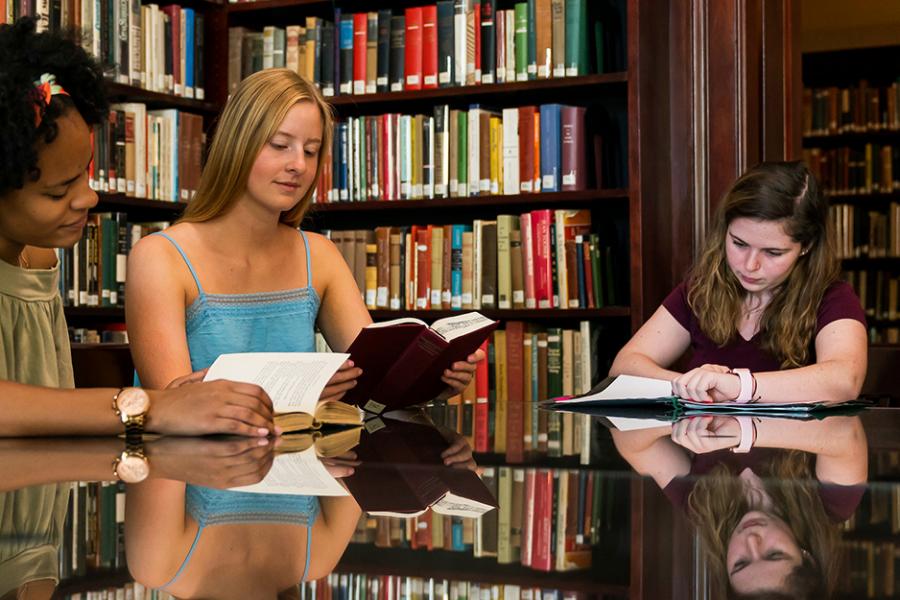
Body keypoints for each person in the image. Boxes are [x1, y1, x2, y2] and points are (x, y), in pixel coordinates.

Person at [125, 67, 483, 403]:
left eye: (310, 151)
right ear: (236, 145)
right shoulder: (160, 257)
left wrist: (435, 381)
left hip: (301, 463)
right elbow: (173, 406)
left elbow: (376, 384)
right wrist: (299, 388)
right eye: (280, 145)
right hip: (196, 466)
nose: (299, 165)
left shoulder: (319, 255)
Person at [0, 17, 276, 437]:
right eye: (59, 191)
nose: (89, 198)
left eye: (85, 174)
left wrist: (179, 399)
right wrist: (152, 406)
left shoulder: (38, 260)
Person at [610, 160, 868, 404]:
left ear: (806, 246)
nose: (750, 265)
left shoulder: (832, 297)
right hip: (704, 445)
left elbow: (844, 381)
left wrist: (737, 386)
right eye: (739, 244)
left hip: (792, 451)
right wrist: (693, 386)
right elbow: (624, 367)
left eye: (773, 252)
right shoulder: (702, 288)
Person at [611, 414, 868, 598]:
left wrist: (680, 419)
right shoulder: (832, 505)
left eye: (740, 563)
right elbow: (843, 427)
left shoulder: (705, 509)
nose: (752, 541)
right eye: (774, 554)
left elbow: (627, 438)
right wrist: (743, 431)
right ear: (806, 556)